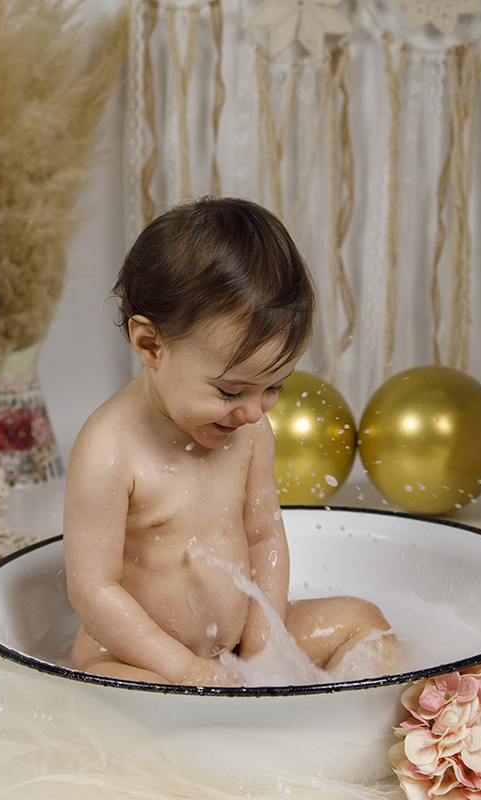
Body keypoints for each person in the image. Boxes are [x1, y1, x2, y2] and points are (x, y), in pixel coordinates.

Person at [63, 197, 398, 686]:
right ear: (151, 345)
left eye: (273, 388)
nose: (253, 411)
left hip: (237, 639)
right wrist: (188, 670)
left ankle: (350, 720)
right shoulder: (110, 450)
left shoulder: (249, 430)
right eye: (230, 390)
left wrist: (266, 651)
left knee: (366, 621)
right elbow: (92, 591)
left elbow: (264, 535)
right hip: (139, 655)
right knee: (115, 686)